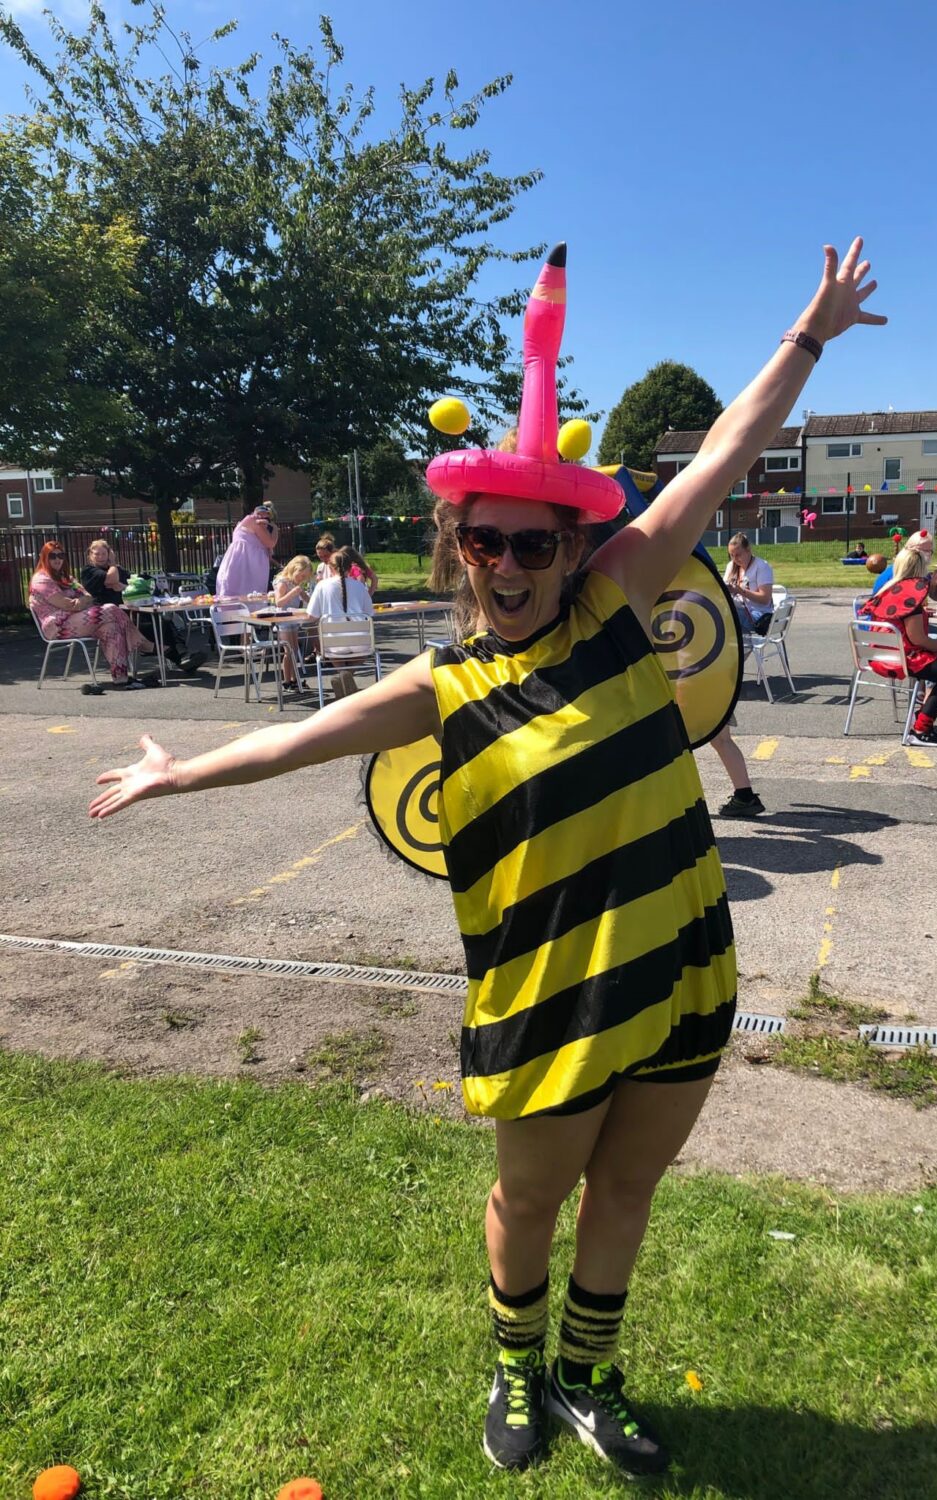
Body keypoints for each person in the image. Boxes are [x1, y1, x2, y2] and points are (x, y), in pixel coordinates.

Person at [89, 237, 885, 1480]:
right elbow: (303, 738)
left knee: (626, 1195)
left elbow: (723, 451)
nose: (511, 567)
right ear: (460, 548)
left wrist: (809, 336)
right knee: (529, 1200)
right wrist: (176, 770)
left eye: (534, 545)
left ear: (573, 547)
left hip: (682, 964)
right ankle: (517, 1362)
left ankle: (588, 1374)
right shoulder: (446, 683)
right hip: (544, 991)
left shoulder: (624, 597)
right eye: (486, 545)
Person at [859, 546, 937, 746]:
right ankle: (921, 728)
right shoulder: (911, 597)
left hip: (879, 654)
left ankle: (923, 715)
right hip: (902, 658)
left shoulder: (887, 589)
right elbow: (918, 639)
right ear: (919, 569)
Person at [29, 542, 144, 690]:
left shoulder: (67, 578)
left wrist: (80, 602)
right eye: (52, 556)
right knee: (110, 609)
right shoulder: (41, 580)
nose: (57, 559)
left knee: (111, 627)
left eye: (60, 555)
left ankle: (120, 677)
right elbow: (67, 604)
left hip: (78, 620)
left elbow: (88, 596)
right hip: (58, 626)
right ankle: (142, 643)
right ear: (44, 557)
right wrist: (79, 602)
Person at [81, 539, 205, 676]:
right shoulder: (89, 571)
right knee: (150, 624)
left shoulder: (119, 570)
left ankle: (183, 657)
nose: (100, 557)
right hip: (113, 617)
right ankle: (176, 656)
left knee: (163, 621)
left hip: (134, 609)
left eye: (103, 554)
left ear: (109, 553)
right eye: (96, 554)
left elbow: (135, 586)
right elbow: (112, 580)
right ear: (90, 555)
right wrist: (113, 565)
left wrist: (122, 586)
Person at [271, 554, 313, 692]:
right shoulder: (283, 582)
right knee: (289, 650)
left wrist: (310, 599)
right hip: (283, 619)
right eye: (301, 576)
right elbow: (279, 602)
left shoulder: (296, 584)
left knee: (294, 650)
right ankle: (286, 680)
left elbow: (308, 600)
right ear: (294, 570)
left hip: (293, 619)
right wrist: (293, 593)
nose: (302, 579)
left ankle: (295, 679)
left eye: (304, 577)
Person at [306, 547, 376, 623]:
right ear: (350, 568)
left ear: (330, 568)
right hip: (360, 633)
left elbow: (312, 616)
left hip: (331, 634)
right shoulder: (360, 586)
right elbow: (368, 613)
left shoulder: (321, 586)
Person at [723, 532, 774, 635]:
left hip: (758, 615)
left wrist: (740, 591)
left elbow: (765, 599)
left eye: (738, 555)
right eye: (731, 555)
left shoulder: (761, 566)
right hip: (739, 610)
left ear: (748, 551)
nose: (735, 559)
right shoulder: (731, 566)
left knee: (725, 617)